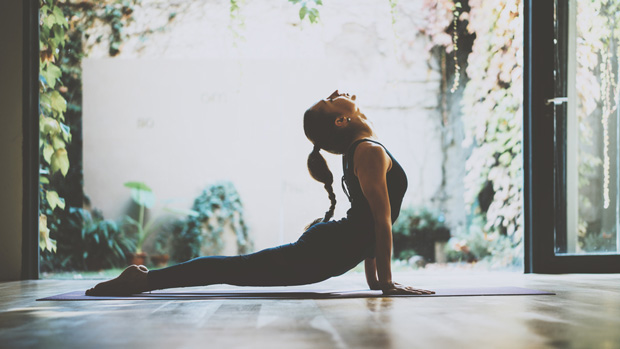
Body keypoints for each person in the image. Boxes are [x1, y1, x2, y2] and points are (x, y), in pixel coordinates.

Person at [85, 90, 434, 296]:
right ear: (341, 121)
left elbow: (369, 223)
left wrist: (376, 281)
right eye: (331, 100)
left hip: (331, 249)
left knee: (237, 269)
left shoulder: (361, 150)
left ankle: (145, 279)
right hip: (326, 251)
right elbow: (379, 221)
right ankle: (144, 279)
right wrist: (385, 283)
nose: (342, 94)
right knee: (235, 269)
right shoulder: (368, 151)